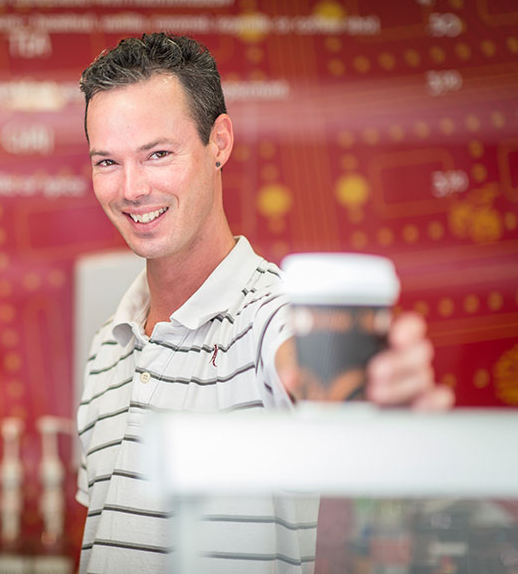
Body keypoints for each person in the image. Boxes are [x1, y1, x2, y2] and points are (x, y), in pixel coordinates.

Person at [75, 32, 453, 573]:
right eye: (107, 162)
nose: (131, 189)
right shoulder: (106, 348)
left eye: (158, 154)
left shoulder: (269, 318)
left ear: (219, 142)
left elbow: (302, 366)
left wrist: (360, 389)